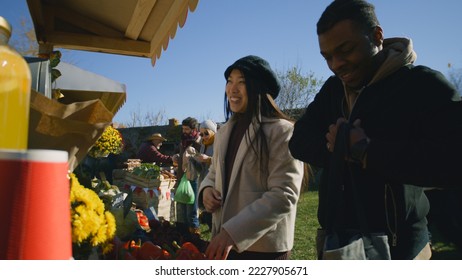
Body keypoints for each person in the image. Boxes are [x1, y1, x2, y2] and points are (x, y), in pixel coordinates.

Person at [289, 0, 462, 260]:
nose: (336, 64)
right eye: (327, 57)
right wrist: (339, 149)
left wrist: (370, 151)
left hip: (405, 250)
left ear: (377, 36)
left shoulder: (422, 85)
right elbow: (298, 140)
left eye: (346, 50)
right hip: (339, 245)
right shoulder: (333, 89)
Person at [199, 55, 304, 260]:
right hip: (226, 247)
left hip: (263, 251)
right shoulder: (223, 132)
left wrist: (232, 233)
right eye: (230, 81)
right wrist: (207, 190)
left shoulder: (282, 132)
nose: (233, 89)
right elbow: (214, 172)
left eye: (242, 82)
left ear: (259, 88)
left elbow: (284, 194)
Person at [175, 117, 202, 235]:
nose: (184, 131)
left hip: (193, 177)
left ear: (193, 129)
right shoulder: (183, 140)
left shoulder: (198, 141)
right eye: (183, 129)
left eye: (186, 129)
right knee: (182, 204)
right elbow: (183, 154)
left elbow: (199, 159)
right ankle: (184, 232)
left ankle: (194, 232)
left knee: (191, 207)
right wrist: (177, 157)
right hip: (182, 176)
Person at [195, 119, 218, 231]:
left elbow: (223, 161)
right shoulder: (203, 146)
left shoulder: (219, 143)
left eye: (206, 133)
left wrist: (208, 159)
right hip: (205, 181)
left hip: (216, 182)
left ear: (213, 131)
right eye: (201, 134)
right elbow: (201, 169)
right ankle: (210, 229)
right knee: (207, 208)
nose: (203, 136)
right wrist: (193, 160)